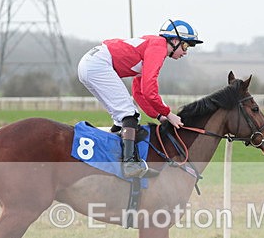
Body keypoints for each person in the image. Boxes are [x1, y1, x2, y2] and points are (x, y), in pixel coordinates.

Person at [77, 19, 203, 178]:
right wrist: (169, 114)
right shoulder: (158, 48)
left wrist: (158, 116)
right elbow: (149, 90)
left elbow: (139, 92)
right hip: (98, 65)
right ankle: (129, 164)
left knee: (121, 118)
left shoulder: (152, 47)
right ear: (175, 41)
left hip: (91, 64)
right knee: (129, 114)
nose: (185, 52)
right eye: (186, 46)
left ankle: (113, 160)